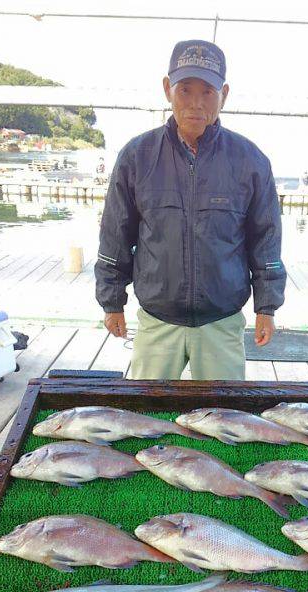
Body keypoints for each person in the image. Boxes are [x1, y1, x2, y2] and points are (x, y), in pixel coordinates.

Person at [95, 39, 286, 379]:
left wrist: (266, 307)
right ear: (167, 89)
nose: (196, 103)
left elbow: (266, 240)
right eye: (185, 90)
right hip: (157, 321)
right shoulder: (137, 156)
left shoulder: (251, 160)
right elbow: (115, 235)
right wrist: (112, 302)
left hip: (222, 321)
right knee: (146, 407)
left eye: (207, 92)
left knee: (224, 411)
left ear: (223, 94)